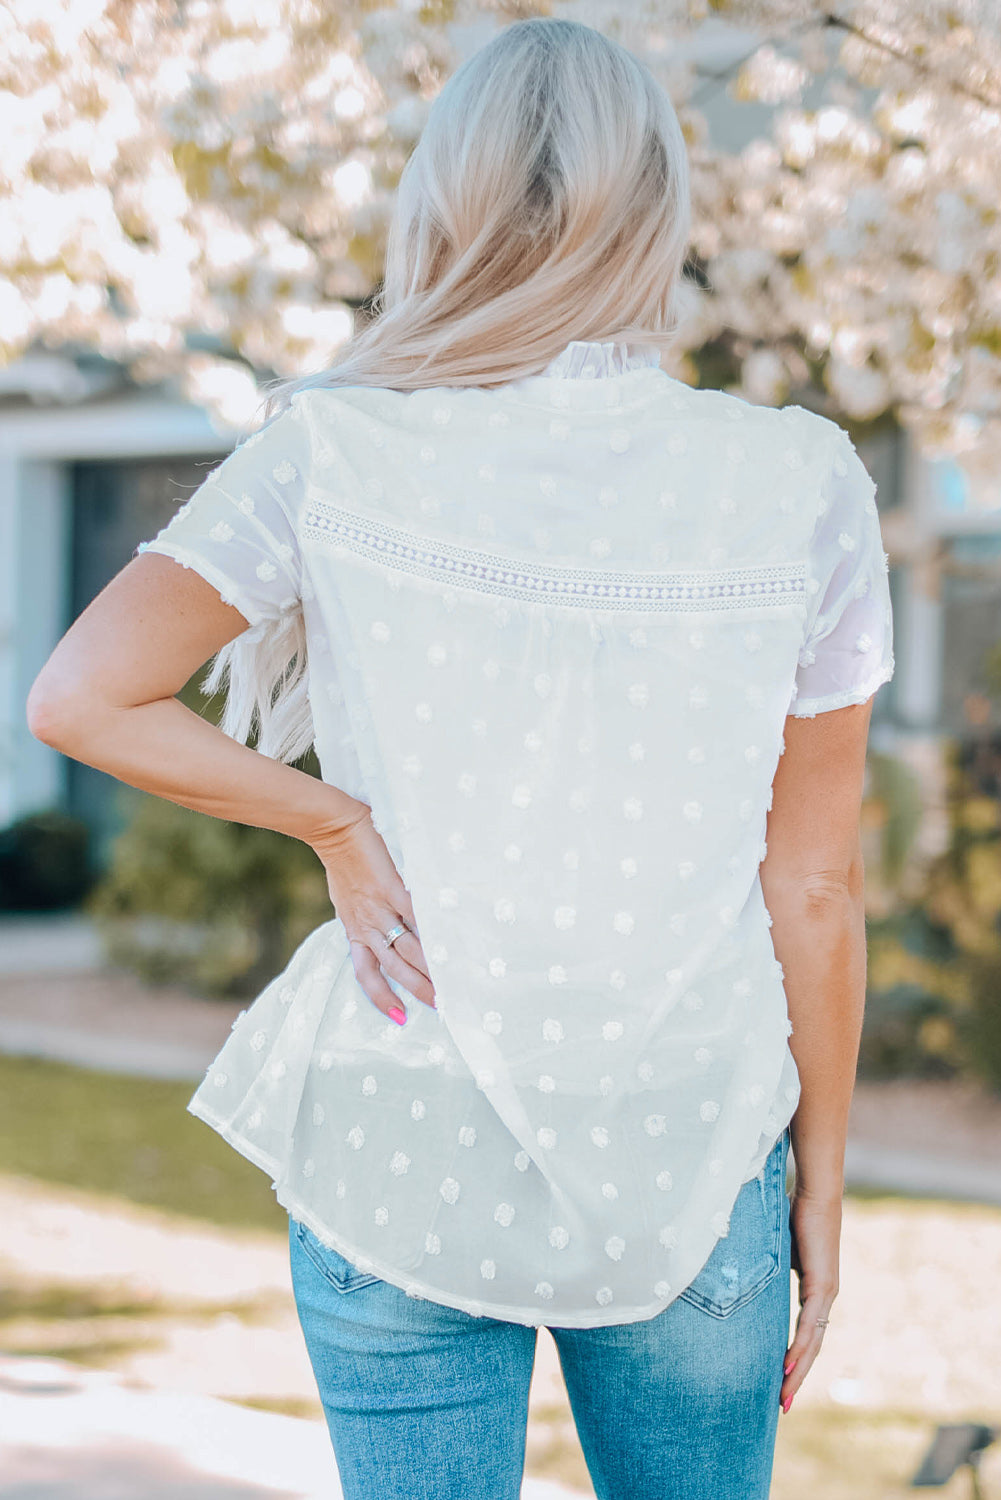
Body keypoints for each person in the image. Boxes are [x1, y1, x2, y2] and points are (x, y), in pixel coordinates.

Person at [26, 16, 895, 1500]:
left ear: (444, 202)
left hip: (394, 1123)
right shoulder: (800, 477)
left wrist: (331, 823)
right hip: (691, 1141)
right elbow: (809, 884)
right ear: (658, 212)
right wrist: (818, 1180)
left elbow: (85, 697)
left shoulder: (334, 449)